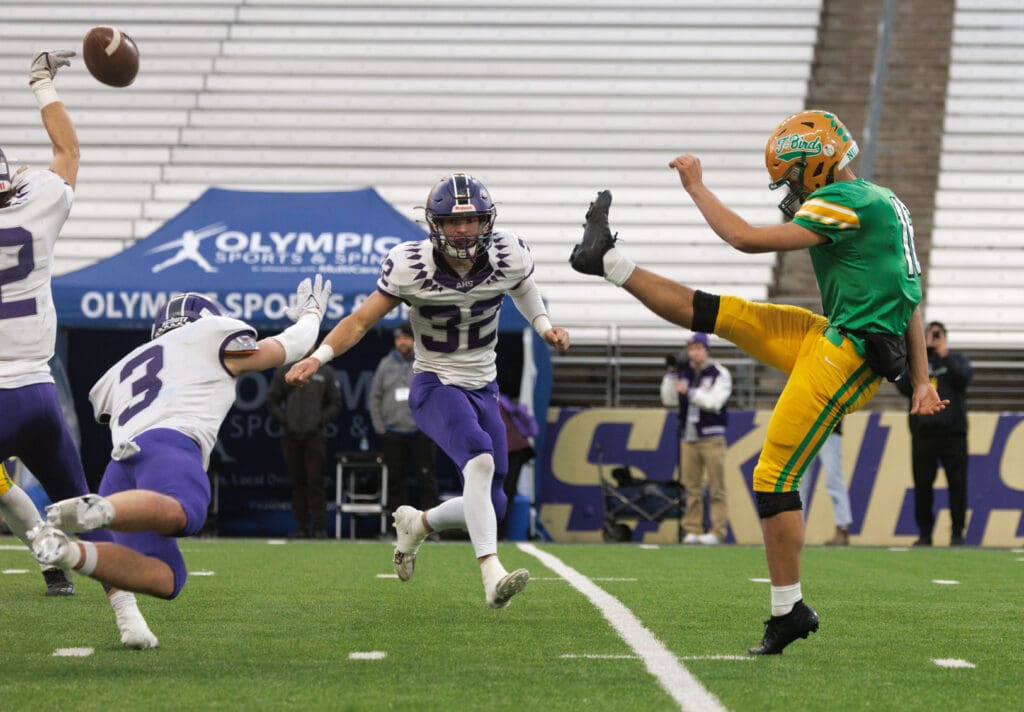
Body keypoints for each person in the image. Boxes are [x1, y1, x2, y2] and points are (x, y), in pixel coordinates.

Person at [569, 109, 946, 654]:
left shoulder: (848, 202)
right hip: (835, 336)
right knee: (725, 314)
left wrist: (696, 186)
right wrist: (920, 381)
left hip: (851, 356)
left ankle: (787, 610)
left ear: (815, 167)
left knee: (773, 474)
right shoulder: (881, 201)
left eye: (793, 177)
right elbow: (911, 298)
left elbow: (744, 239)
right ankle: (607, 260)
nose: (790, 189)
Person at [287, 173, 570, 609]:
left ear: (486, 221)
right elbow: (360, 321)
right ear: (434, 224)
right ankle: (491, 573)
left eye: (472, 220)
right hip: (434, 382)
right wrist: (318, 356)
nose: (463, 230)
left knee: (491, 501)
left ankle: (417, 524)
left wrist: (544, 325)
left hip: (483, 385)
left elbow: (524, 288)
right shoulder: (409, 265)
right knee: (478, 458)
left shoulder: (508, 253)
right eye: (453, 222)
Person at [30, 275, 331, 648]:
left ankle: (70, 552)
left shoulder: (126, 365)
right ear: (205, 320)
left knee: (168, 578)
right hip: (169, 446)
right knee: (186, 513)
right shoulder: (210, 337)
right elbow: (291, 345)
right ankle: (100, 510)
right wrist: (313, 315)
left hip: (120, 466)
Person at [0, 49, 120, 601]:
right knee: (86, 506)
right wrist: (40, 83)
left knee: (3, 489)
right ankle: (126, 611)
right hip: (40, 392)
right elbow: (67, 151)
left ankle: (50, 558)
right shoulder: (39, 204)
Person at [896, 321, 973, 546]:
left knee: (957, 485)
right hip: (924, 434)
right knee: (922, 485)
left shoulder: (955, 359)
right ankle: (924, 533)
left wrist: (944, 355)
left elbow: (965, 378)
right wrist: (920, 357)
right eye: (930, 335)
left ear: (945, 338)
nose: (934, 339)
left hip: (954, 435)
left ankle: (957, 534)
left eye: (938, 335)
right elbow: (902, 386)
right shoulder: (918, 364)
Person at [660, 332, 732, 545]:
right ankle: (692, 529)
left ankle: (717, 531)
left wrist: (690, 393)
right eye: (691, 349)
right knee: (691, 487)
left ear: (706, 350)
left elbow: (714, 402)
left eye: (698, 348)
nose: (694, 353)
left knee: (716, 487)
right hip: (688, 437)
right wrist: (671, 376)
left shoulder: (719, 372)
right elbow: (668, 399)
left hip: (712, 437)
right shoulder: (685, 373)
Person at [369, 321, 438, 520]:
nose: (402, 342)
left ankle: (431, 526)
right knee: (395, 482)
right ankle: (398, 528)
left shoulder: (425, 363)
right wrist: (379, 426)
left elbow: (436, 395)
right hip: (393, 432)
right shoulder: (385, 363)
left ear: (414, 340)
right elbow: (374, 396)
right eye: (399, 339)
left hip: (420, 432)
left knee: (427, 480)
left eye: (406, 338)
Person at [267, 361, 341, 538]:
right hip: (291, 436)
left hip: (315, 436)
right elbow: (272, 400)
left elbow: (335, 402)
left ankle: (320, 527)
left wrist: (319, 421)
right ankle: (302, 527)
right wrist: (286, 420)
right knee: (297, 482)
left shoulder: (325, 372)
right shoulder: (285, 370)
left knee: (316, 480)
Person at [799, 419, 853, 546]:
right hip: (806, 428)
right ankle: (796, 531)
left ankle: (842, 528)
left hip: (830, 428)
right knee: (800, 483)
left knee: (834, 479)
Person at [497, 392, 538, 540]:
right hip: (516, 449)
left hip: (511, 449)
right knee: (507, 490)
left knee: (504, 490)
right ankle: (500, 531)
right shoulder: (502, 400)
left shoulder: (493, 402)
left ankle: (500, 532)